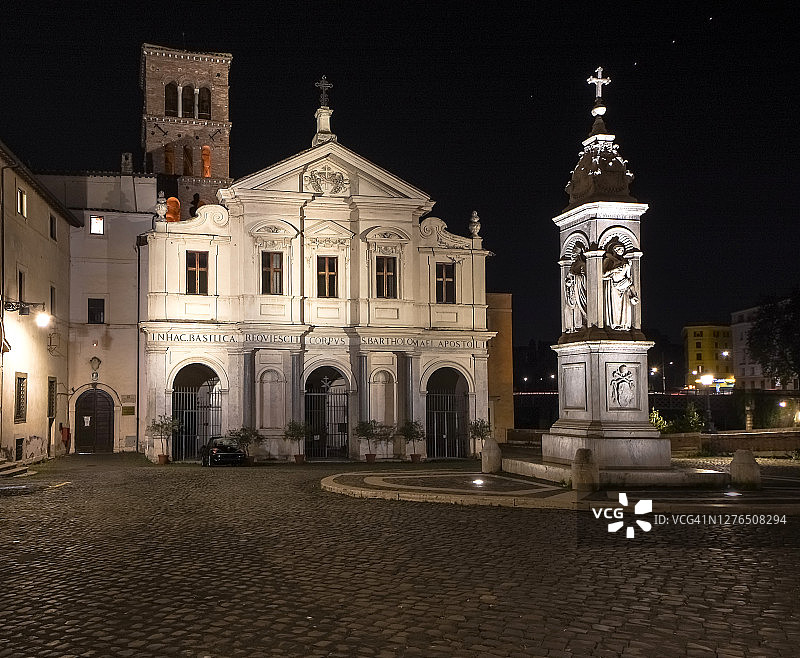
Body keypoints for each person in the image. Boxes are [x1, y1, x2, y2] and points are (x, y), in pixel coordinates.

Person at [602, 242, 638, 330]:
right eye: (619, 249)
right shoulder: (608, 260)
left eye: (622, 249)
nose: (621, 251)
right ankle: (614, 324)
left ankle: (624, 325)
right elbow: (602, 275)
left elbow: (629, 276)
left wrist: (629, 267)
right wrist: (614, 270)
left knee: (624, 307)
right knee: (614, 306)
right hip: (613, 286)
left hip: (624, 286)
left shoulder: (625, 262)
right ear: (614, 250)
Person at [565, 243, 587, 331]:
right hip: (572, 290)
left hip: (579, 290)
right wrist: (568, 282)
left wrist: (574, 276)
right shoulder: (572, 265)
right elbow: (568, 278)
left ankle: (580, 325)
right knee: (569, 308)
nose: (572, 254)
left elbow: (585, 277)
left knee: (579, 307)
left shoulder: (582, 264)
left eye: (574, 252)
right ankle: (572, 327)